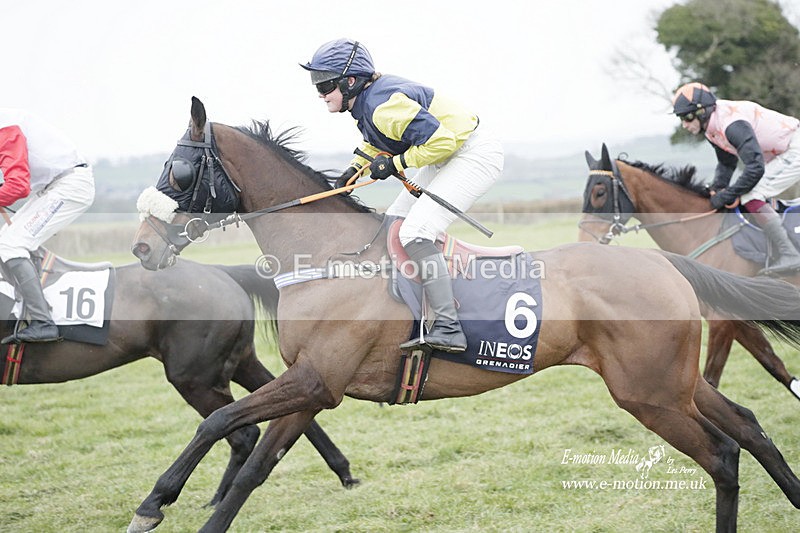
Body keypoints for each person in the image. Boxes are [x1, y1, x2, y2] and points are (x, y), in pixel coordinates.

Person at [301, 38, 504, 353]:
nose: (320, 94)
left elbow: (442, 142)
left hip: (470, 153)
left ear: (349, 81)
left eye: (325, 85)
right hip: (447, 155)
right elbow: (380, 140)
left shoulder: (383, 105)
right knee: (394, 222)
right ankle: (407, 309)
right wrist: (355, 167)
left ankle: (449, 327)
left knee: (416, 232)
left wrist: (396, 163)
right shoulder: (365, 102)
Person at [672, 82, 800, 276]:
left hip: (794, 148)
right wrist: (717, 188)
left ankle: (789, 253)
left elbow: (755, 168)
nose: (685, 124)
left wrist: (728, 195)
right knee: (748, 191)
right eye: (681, 118)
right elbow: (727, 163)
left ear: (702, 111)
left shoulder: (732, 125)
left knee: (752, 195)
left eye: (687, 117)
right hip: (780, 152)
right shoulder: (711, 128)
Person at [0, 109, 95, 343]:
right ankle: (23, 302)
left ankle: (43, 322)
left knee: (11, 244)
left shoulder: (6, 129)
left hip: (69, 185)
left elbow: (18, 186)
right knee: (6, 240)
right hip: (53, 185)